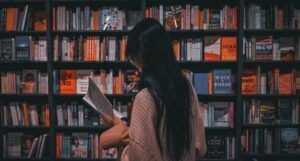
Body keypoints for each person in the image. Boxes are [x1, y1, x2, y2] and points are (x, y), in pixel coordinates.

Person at [99, 18, 207, 161]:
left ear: (144, 60)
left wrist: (124, 143)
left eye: (136, 63)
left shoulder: (145, 97)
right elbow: (200, 147)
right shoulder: (187, 86)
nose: (137, 70)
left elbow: (139, 156)